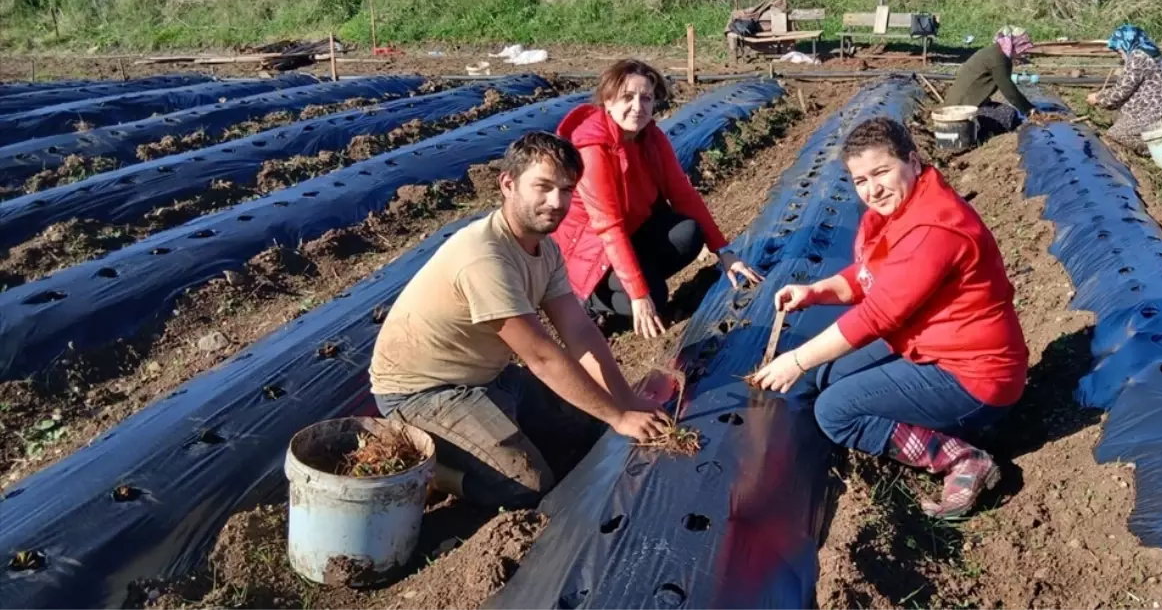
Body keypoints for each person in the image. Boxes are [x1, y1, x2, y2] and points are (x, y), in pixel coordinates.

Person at [368, 131, 672, 509]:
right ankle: (434, 473)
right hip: (424, 392)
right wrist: (618, 417)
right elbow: (541, 357)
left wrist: (624, 402)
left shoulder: (544, 250)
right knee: (528, 486)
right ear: (508, 184)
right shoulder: (484, 257)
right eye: (542, 187)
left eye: (566, 189)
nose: (556, 202)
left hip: (486, 375)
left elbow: (577, 330)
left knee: (587, 429)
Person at [747, 117, 1029, 519]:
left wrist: (795, 360)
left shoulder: (934, 227)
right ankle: (935, 421)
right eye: (860, 180)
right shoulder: (896, 211)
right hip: (930, 348)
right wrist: (815, 292)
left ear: (913, 162)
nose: (872, 189)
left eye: (881, 172)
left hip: (975, 378)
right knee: (829, 376)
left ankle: (960, 457)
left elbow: (876, 315)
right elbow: (869, 276)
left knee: (835, 412)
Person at [552, 59, 762, 339]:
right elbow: (608, 226)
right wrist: (639, 295)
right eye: (628, 97)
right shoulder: (592, 148)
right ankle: (592, 301)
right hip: (592, 250)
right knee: (653, 297)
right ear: (608, 100)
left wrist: (724, 252)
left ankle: (639, 280)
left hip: (631, 231)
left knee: (688, 233)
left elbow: (682, 194)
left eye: (646, 98)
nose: (638, 106)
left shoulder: (651, 137)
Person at [1085, 23, 1162, 155]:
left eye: (1119, 50)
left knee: (1116, 133)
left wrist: (1098, 98)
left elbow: (1122, 91)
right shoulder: (1149, 50)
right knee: (1120, 122)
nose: (1119, 54)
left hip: (1159, 110)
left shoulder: (1138, 56)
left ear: (1126, 43)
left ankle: (1160, 149)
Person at [945, 26, 1039, 138]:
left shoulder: (995, 52)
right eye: (1022, 47)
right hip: (961, 109)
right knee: (1009, 116)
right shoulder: (998, 58)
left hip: (962, 103)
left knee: (1008, 113)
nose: (1024, 52)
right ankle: (980, 137)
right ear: (1013, 44)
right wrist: (1028, 109)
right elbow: (1008, 89)